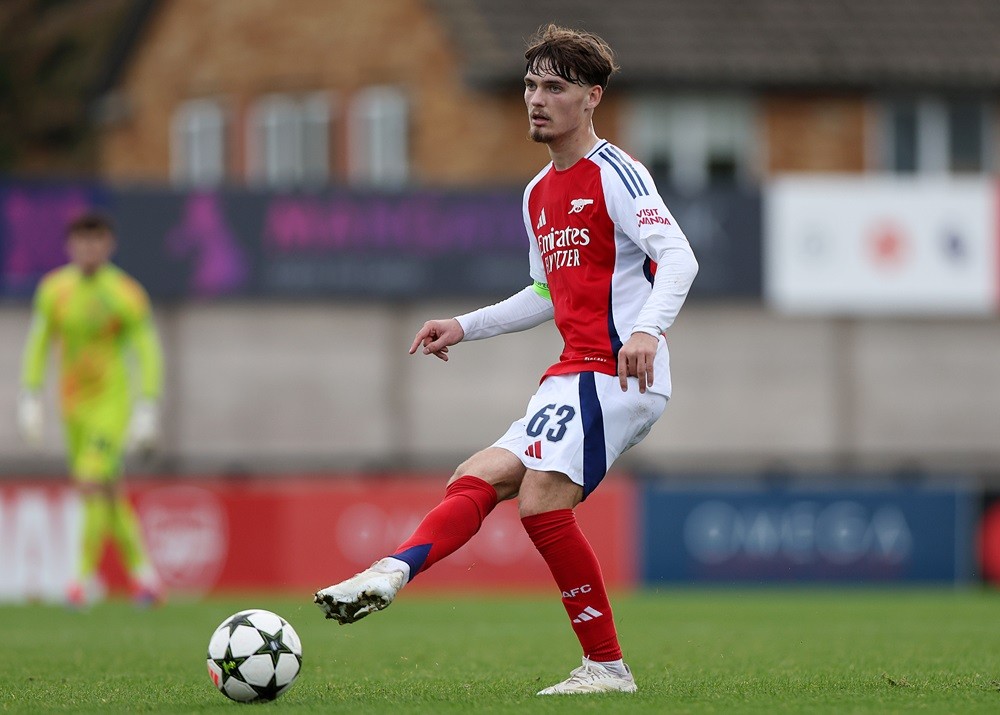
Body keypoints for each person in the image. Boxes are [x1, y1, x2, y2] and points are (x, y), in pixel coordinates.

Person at [314, 24, 698, 695]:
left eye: (555, 86)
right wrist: (463, 325)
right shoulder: (536, 194)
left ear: (591, 97)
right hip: (574, 370)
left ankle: (606, 667)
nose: (536, 99)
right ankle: (392, 570)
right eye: (530, 85)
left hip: (620, 371)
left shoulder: (617, 174)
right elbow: (545, 294)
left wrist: (647, 330)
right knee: (480, 474)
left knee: (541, 499)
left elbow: (680, 257)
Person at [18, 211, 165, 607]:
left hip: (110, 404)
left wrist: (147, 405)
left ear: (108, 245)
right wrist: (30, 395)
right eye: (82, 242)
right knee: (108, 491)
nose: (89, 249)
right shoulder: (54, 290)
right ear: (71, 246)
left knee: (90, 481)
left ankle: (79, 580)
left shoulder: (124, 293)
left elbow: (147, 349)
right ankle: (145, 577)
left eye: (96, 241)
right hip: (73, 406)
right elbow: (38, 341)